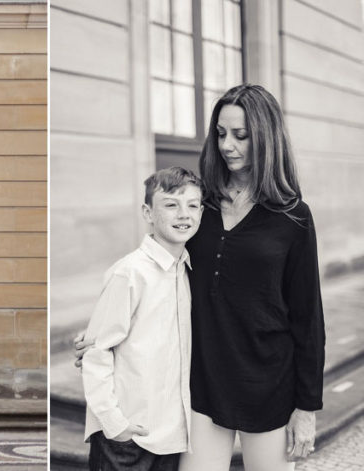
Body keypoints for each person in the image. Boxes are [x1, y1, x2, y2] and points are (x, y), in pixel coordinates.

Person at [76, 84, 325, 470]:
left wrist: (307, 406)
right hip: (201, 383)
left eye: (241, 136)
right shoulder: (197, 204)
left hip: (269, 383)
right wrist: (104, 338)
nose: (228, 145)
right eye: (221, 133)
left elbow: (308, 317)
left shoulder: (293, 215)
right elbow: (155, 276)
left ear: (265, 136)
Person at [82, 167, 203, 471]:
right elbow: (96, 352)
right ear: (148, 213)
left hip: (171, 436)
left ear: (202, 212)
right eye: (171, 205)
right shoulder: (130, 273)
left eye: (191, 205)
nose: (183, 215)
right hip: (126, 437)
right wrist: (114, 423)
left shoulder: (190, 272)